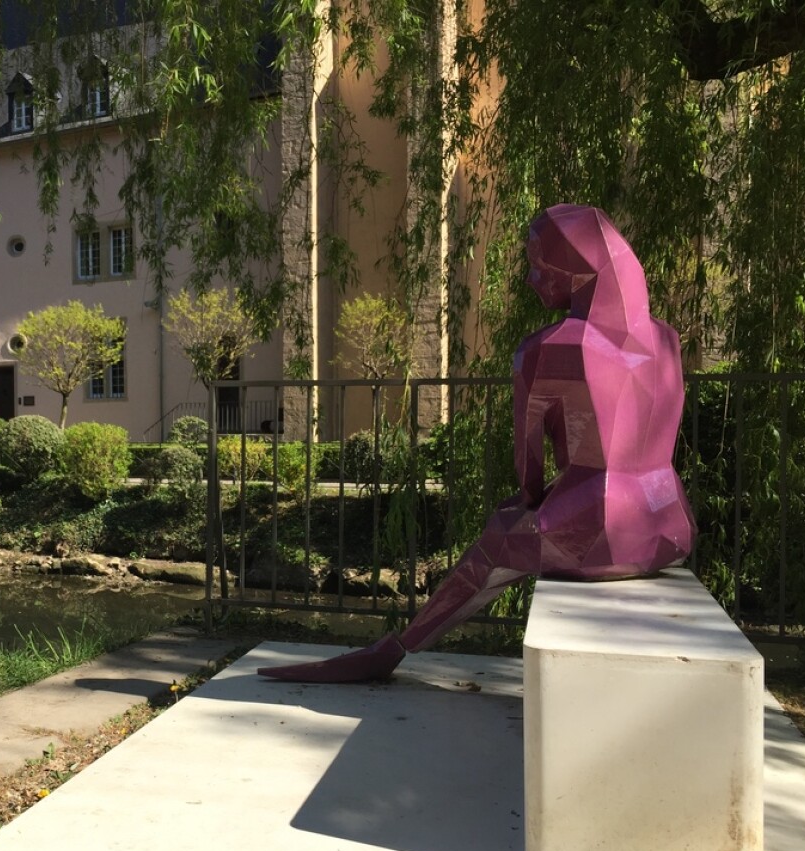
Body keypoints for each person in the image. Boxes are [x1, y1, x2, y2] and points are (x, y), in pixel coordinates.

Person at [260, 204, 697, 682]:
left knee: (499, 538)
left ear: (576, 268)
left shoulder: (547, 350)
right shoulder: (667, 340)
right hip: (671, 524)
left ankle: (394, 649)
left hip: (598, 530)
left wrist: (532, 504)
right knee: (526, 522)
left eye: (538, 264)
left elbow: (529, 473)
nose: (532, 279)